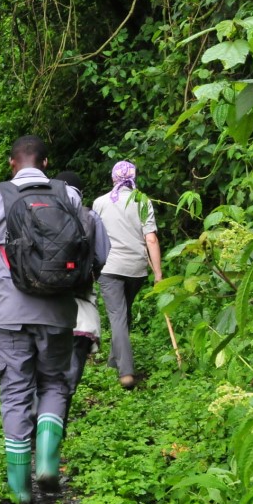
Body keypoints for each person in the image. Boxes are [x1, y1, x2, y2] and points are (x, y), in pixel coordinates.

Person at [0, 135, 91, 504]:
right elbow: (86, 249)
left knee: (15, 391)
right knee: (55, 383)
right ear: (46, 162)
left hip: (10, 312)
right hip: (58, 311)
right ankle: (46, 461)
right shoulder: (69, 196)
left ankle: (20, 488)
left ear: (12, 164)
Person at [92, 160, 164, 389]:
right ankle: (114, 361)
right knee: (123, 314)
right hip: (136, 269)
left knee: (118, 316)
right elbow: (150, 238)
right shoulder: (143, 201)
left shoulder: (100, 203)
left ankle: (126, 372)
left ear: (113, 178)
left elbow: (92, 235)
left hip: (109, 267)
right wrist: (158, 274)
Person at [52, 171, 110, 420]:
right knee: (74, 356)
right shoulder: (90, 216)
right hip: (80, 301)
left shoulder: (35, 211)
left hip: (43, 302)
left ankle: (36, 422)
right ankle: (59, 416)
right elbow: (102, 256)